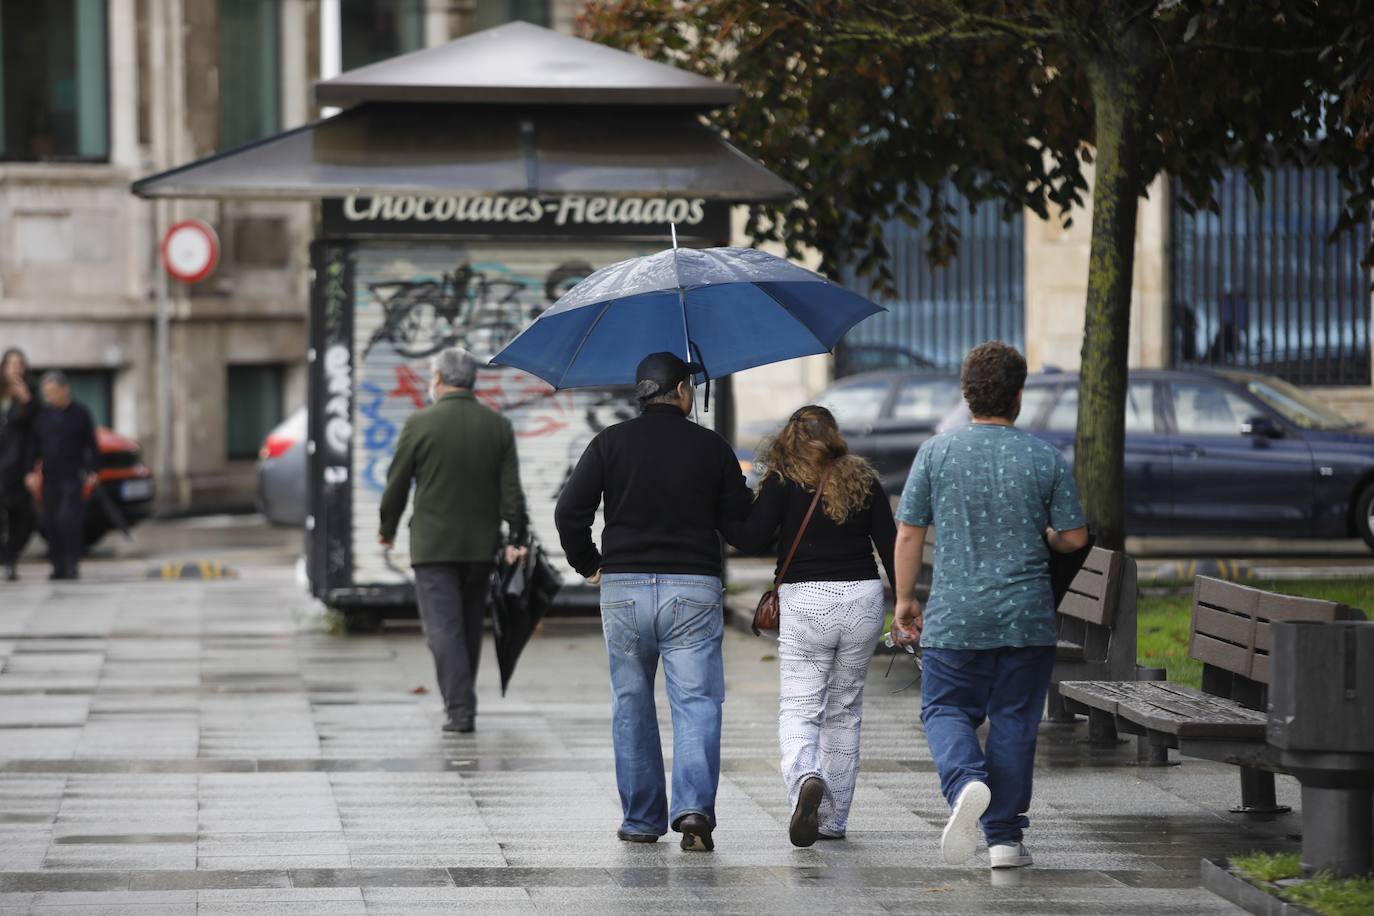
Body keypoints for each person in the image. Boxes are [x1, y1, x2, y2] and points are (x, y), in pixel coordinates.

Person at [891, 341, 1087, 870]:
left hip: (956, 617)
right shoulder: (1044, 456)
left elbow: (909, 534)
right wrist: (1046, 534)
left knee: (945, 708)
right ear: (1019, 396)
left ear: (966, 394)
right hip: (1026, 617)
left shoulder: (936, 452)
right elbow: (1073, 537)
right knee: (1015, 721)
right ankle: (1003, 839)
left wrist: (905, 599)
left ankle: (964, 782)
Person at [554, 352, 752, 852]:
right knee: (697, 704)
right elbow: (743, 529)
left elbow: (569, 510)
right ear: (684, 390)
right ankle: (692, 812)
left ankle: (642, 819)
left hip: (623, 591)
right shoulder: (712, 448)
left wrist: (588, 562)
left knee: (631, 704)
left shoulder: (610, 443)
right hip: (693, 591)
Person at [727, 405, 896, 848]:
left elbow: (749, 538)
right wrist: (908, 603)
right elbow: (891, 545)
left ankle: (805, 778)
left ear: (789, 437)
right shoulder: (861, 477)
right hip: (862, 598)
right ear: (834, 435)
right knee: (845, 712)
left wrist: (724, 505)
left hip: (806, 601)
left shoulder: (782, 480)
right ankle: (834, 820)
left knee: (802, 708)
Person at [378, 347, 529, 734]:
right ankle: (461, 702)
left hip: (433, 547)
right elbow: (511, 491)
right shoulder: (497, 426)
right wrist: (516, 533)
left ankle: (460, 708)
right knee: (465, 626)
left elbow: (397, 482)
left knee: (443, 631)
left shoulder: (420, 423)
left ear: (440, 380)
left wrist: (387, 527)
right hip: (481, 547)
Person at [27, 371, 100, 581]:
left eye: (52, 392)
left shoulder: (80, 413)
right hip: (50, 477)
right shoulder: (43, 416)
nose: (49, 397)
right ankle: (57, 565)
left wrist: (93, 471)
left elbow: (92, 446)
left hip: (73, 475)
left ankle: (71, 564)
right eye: (46, 393)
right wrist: (30, 472)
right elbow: (33, 447)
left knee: (70, 521)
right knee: (51, 522)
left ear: (64, 390)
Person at [0, 349, 36, 581]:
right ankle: (6, 558)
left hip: (18, 468)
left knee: (23, 518)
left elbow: (38, 428)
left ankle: (10, 558)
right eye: (11, 364)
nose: (16, 368)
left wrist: (27, 400)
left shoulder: (29, 395)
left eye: (20, 364)